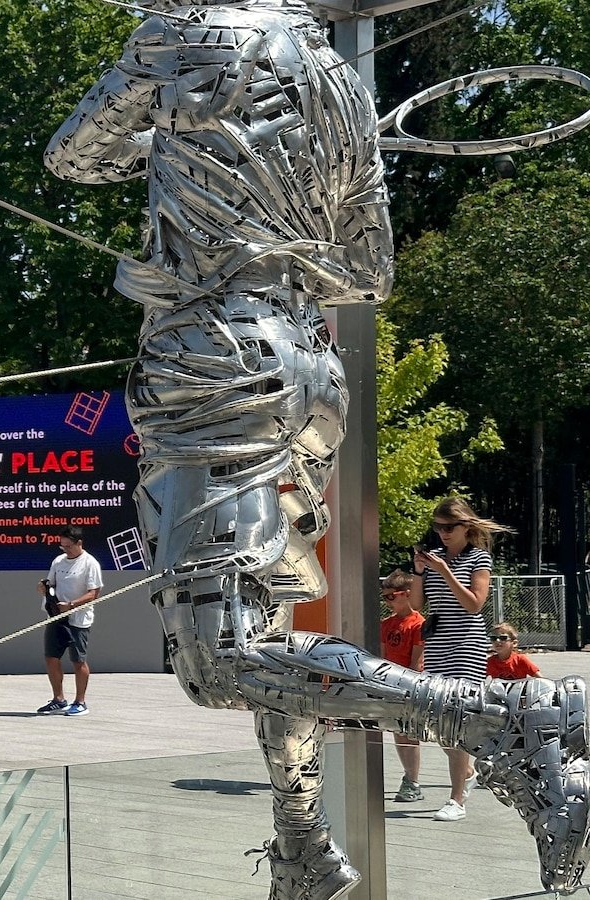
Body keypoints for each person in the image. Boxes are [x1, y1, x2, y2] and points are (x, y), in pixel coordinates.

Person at [48, 1, 590, 893]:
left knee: (216, 662)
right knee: (262, 637)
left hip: (209, 360)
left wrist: (182, 145)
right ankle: (302, 840)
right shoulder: (338, 79)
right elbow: (370, 275)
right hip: (308, 369)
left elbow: (75, 156)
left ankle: (498, 719)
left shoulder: (183, 33)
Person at [413, 497, 508, 823]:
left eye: (449, 527)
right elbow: (416, 603)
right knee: (439, 720)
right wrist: (419, 571)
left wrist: (445, 572)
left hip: (466, 645)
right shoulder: (435, 557)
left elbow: (474, 604)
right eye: (438, 527)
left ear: (466, 526)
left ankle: (456, 798)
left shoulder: (478, 558)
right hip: (438, 644)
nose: (442, 533)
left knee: (457, 719)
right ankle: (466, 770)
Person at [37, 526, 102, 717]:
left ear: (79, 543)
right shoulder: (58, 561)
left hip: (78, 619)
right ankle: (58, 699)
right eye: (62, 546)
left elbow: (94, 593)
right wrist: (43, 588)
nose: (65, 549)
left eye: (68, 546)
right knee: (51, 657)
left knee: (78, 660)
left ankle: (80, 701)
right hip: (56, 616)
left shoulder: (90, 563)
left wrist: (72, 604)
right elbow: (51, 584)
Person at [378, 570, 425, 802]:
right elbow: (383, 656)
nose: (387, 601)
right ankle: (409, 777)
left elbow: (417, 660)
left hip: (410, 686)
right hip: (390, 686)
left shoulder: (418, 624)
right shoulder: (386, 624)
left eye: (391, 596)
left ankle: (413, 781)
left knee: (410, 734)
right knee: (399, 733)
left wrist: (409, 687)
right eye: (384, 597)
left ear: (407, 594)